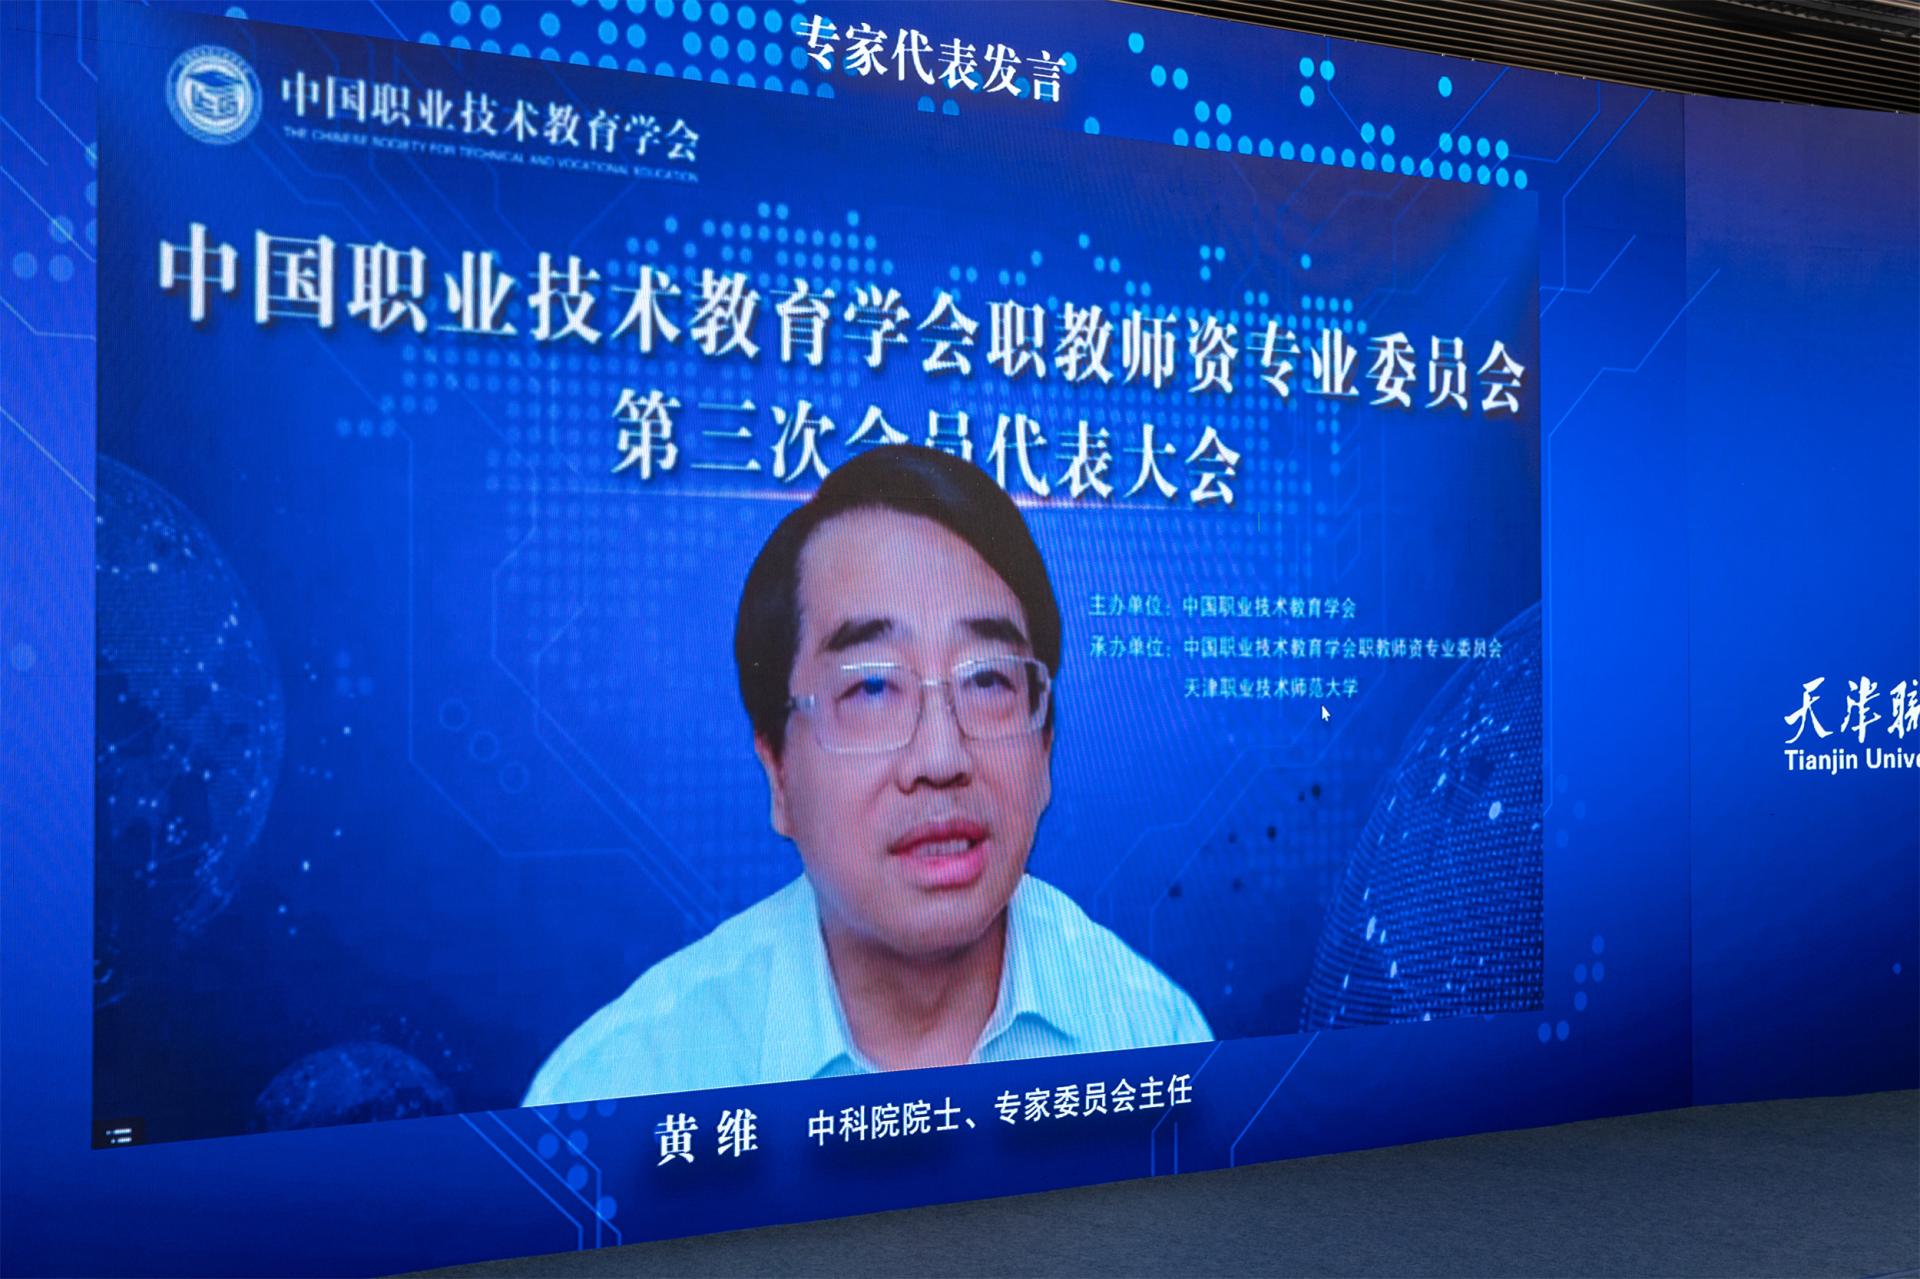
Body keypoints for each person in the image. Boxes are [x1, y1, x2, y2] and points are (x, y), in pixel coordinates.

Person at [524, 445, 1210, 1106]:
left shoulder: (1154, 1038)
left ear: (1046, 747)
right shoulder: (621, 1087)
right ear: (777, 771)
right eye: (872, 687)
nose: (941, 759)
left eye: (988, 680)